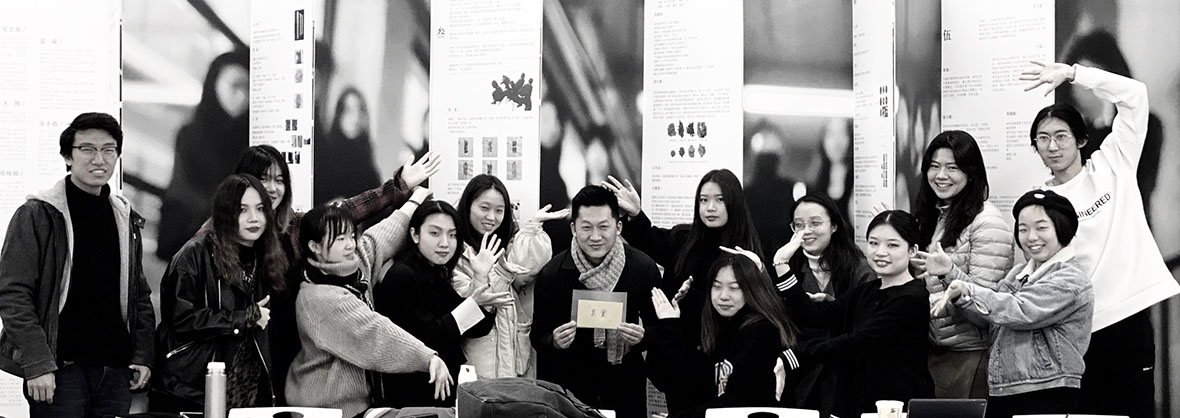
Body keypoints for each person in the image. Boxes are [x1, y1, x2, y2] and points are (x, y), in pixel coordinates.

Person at [1020, 61, 1179, 418]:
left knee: (1134, 409)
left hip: (1128, 315)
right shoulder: (1039, 202)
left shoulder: (1113, 165)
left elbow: (1135, 95)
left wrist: (1074, 74)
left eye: (1061, 136)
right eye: (1043, 139)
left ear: (1080, 139)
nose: (1052, 146)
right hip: (1076, 328)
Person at [225, 145, 439, 405]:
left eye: (279, 180)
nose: (272, 188)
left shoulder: (295, 227)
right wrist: (243, 318)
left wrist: (398, 187)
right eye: (263, 179)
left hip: (292, 354)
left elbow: (346, 217)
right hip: (244, 359)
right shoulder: (215, 240)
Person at [0, 113, 154, 418]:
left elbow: (139, 295)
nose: (99, 159)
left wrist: (142, 355)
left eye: (108, 150)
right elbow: (13, 294)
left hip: (114, 372)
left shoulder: (124, 217)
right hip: (60, 371)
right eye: (87, 149)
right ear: (67, 156)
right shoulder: (38, 215)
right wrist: (37, 364)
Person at [602, 169, 763, 413]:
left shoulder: (746, 253)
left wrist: (693, 299)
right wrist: (636, 213)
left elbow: (758, 307)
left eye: (719, 200)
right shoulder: (684, 239)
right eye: (704, 200)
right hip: (676, 354)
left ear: (733, 202)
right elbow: (651, 241)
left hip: (720, 360)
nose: (710, 207)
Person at [286, 188, 451, 418]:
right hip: (327, 410)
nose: (350, 245)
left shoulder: (353, 267)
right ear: (314, 246)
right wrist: (427, 358)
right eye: (340, 239)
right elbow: (375, 332)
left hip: (360, 405)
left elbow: (381, 237)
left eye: (351, 236)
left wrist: (414, 200)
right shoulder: (319, 298)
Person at [932, 189, 1092, 418]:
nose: (1031, 237)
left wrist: (968, 289)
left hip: (1047, 389)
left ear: (1062, 228)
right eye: (1023, 229)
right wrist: (951, 275)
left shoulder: (1070, 277)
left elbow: (1020, 310)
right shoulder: (1018, 273)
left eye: (1041, 228)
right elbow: (989, 314)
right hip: (1004, 387)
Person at [773, 211, 934, 418]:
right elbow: (814, 315)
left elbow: (858, 340)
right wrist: (782, 264)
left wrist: (798, 354)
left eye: (892, 245)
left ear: (912, 251)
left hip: (898, 405)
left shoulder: (912, 297)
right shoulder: (866, 290)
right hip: (859, 402)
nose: (880, 252)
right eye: (873, 243)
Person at [152, 174, 288, 412]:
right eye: (242, 210)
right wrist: (244, 318)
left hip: (246, 390)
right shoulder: (194, 253)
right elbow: (181, 318)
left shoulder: (265, 256)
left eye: (260, 209)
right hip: (194, 388)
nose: (254, 218)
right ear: (225, 213)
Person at [530, 185, 660, 418]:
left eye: (603, 227)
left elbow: (662, 329)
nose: (595, 236)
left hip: (625, 384)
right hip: (570, 387)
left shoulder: (642, 268)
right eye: (586, 227)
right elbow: (538, 335)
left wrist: (643, 337)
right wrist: (554, 341)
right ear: (573, 228)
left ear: (618, 227)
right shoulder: (553, 273)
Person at [376, 201, 513, 406]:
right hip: (415, 397)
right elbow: (427, 338)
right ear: (414, 235)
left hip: (444, 390)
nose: (445, 243)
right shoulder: (402, 276)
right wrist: (471, 305)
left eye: (452, 235)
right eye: (435, 233)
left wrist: (480, 277)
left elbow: (477, 328)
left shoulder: (435, 273)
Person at [911, 130, 1014, 398]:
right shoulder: (935, 215)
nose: (941, 175)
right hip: (934, 350)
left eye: (952, 168)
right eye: (934, 166)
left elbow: (987, 306)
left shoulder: (987, 222)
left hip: (969, 355)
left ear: (971, 173)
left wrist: (949, 272)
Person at [649, 255, 799, 418]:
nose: (723, 296)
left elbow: (737, 403)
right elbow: (683, 384)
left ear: (752, 290)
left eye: (734, 288)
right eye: (717, 286)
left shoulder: (762, 331)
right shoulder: (718, 325)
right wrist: (669, 325)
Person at [451, 175, 566, 379]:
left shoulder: (508, 243)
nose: (491, 217)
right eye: (484, 208)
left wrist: (532, 229)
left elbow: (525, 272)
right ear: (468, 206)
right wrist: (495, 273)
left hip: (515, 358)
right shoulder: (455, 252)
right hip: (477, 360)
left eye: (499, 210)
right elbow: (470, 304)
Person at [770, 192, 875, 416]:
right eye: (799, 225)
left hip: (846, 373)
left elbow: (863, 325)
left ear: (834, 225)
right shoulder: (788, 265)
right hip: (800, 371)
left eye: (815, 223)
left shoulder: (858, 267)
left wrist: (833, 306)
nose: (806, 231)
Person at [158, 50, 251, 260]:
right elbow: (184, 192)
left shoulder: (251, 138)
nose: (242, 96)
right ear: (214, 83)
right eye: (235, 85)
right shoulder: (190, 134)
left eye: (249, 88)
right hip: (186, 241)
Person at [316, 86, 383, 205]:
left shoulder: (366, 161)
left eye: (360, 110)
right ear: (339, 114)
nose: (355, 118)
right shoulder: (325, 155)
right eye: (349, 110)